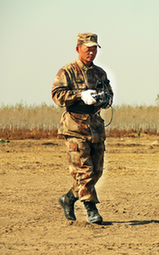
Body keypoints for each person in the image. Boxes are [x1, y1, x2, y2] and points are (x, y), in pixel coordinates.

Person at [51, 33, 113, 224]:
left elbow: (109, 96)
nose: (92, 53)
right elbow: (57, 96)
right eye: (88, 49)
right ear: (78, 49)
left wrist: (102, 100)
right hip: (75, 128)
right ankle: (91, 209)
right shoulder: (67, 71)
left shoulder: (100, 73)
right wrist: (80, 95)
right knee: (84, 172)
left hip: (95, 127)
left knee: (96, 173)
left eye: (94, 49)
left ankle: (68, 198)